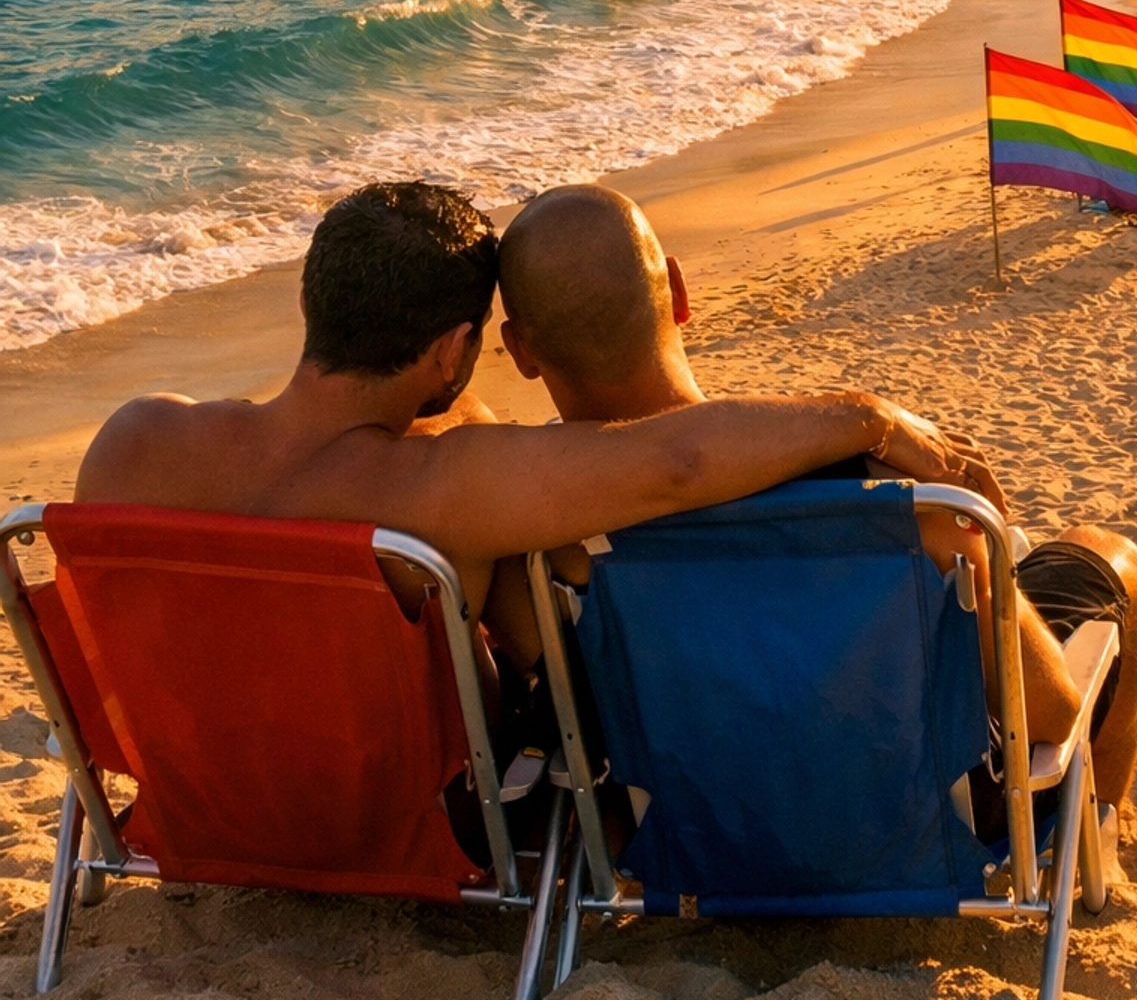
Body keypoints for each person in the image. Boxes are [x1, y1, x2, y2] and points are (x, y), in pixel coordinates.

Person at [76, 182, 998, 695]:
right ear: (454, 353)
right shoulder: (429, 491)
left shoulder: (132, 441)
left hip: (199, 808)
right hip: (377, 828)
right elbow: (674, 459)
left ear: (311, 301)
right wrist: (870, 415)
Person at [496, 187, 1137, 818]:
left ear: (521, 350)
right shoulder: (879, 494)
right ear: (679, 292)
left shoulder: (529, 536)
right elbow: (1045, 712)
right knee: (1110, 555)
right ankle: (1101, 832)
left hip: (688, 826)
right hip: (916, 816)